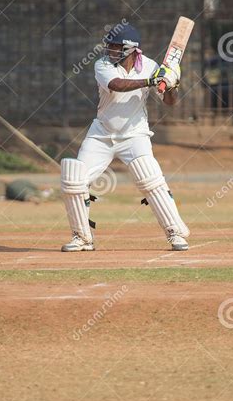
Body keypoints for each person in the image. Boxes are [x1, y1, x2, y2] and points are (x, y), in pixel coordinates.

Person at [60, 23, 189, 252]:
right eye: (109, 46)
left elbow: (169, 102)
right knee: (74, 179)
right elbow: (117, 85)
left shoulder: (150, 66)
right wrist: (151, 81)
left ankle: (175, 233)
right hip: (102, 133)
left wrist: (172, 84)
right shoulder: (103, 65)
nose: (110, 50)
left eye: (115, 46)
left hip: (135, 135)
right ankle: (82, 237)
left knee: (152, 180)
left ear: (131, 48)